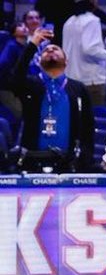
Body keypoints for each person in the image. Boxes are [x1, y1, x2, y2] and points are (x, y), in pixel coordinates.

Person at [10, 29, 95, 171]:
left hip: (68, 163)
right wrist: (33, 45)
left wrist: (85, 161)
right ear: (38, 62)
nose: (50, 50)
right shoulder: (31, 84)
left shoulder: (78, 88)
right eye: (45, 50)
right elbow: (15, 78)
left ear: (66, 61)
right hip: (32, 161)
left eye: (55, 49)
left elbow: (88, 127)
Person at [62, 0, 106, 106]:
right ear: (90, 0)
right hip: (91, 81)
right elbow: (90, 49)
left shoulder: (68, 22)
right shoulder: (92, 20)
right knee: (93, 118)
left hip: (71, 79)